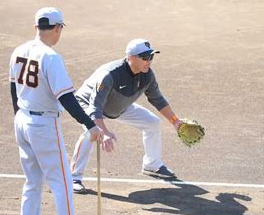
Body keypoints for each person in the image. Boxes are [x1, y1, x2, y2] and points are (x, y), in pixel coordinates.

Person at [9, 7, 104, 215]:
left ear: (36, 27)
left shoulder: (18, 51)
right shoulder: (50, 57)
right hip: (43, 125)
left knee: (32, 182)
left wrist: (18, 117)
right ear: (58, 28)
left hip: (22, 120)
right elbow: (66, 97)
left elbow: (13, 89)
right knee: (62, 183)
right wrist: (90, 125)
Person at [70, 38, 184, 194]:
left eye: (151, 56)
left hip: (118, 105)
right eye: (145, 57)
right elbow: (95, 107)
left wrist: (175, 121)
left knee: (152, 122)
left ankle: (152, 164)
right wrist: (104, 131)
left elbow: (157, 99)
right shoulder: (109, 75)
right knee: (91, 132)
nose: (149, 61)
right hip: (88, 104)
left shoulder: (147, 75)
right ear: (131, 58)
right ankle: (74, 177)